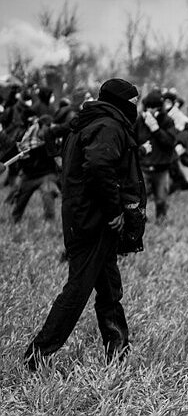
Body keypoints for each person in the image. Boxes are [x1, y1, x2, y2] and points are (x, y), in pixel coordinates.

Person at [24, 78, 146, 370]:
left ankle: (117, 353)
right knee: (78, 290)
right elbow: (99, 166)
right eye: (133, 102)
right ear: (120, 102)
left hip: (88, 219)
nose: (135, 108)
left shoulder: (93, 122)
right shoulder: (107, 126)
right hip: (93, 221)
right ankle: (37, 355)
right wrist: (114, 210)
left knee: (110, 289)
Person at [135, 91, 177, 223]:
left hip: (161, 166)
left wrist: (156, 129)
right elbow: (133, 141)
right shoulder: (139, 121)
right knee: (140, 196)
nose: (151, 110)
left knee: (161, 197)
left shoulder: (167, 121)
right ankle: (141, 219)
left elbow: (170, 142)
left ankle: (161, 219)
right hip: (143, 165)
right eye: (148, 107)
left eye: (154, 107)